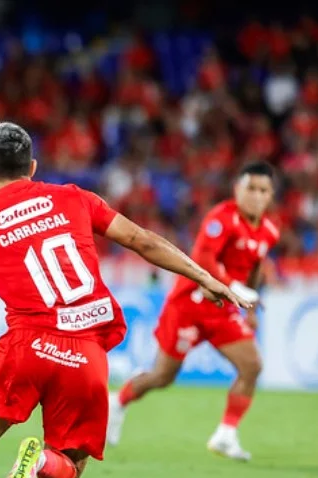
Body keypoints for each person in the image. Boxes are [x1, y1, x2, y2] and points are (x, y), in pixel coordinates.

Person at [0, 122, 251, 478]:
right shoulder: (74, 198)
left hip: (28, 345)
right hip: (86, 351)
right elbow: (142, 241)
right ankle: (40, 465)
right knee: (67, 471)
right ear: (32, 166)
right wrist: (207, 278)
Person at [106, 162, 279, 461]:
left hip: (223, 310)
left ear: (271, 195)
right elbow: (203, 259)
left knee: (252, 366)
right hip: (189, 306)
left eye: (263, 190)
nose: (256, 196)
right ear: (237, 189)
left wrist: (249, 305)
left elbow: (255, 266)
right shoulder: (221, 219)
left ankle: (226, 435)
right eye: (251, 188)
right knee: (162, 376)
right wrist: (231, 286)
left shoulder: (269, 231)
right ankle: (117, 401)